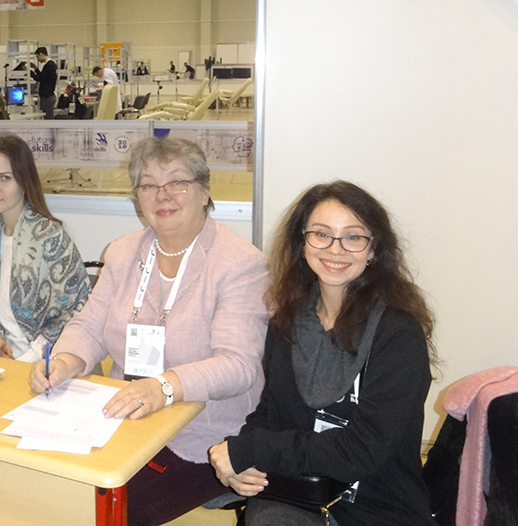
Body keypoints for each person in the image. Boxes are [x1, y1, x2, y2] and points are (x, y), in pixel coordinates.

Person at [30, 137, 269, 525]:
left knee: (100, 513)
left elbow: (237, 365)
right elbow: (89, 326)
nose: (163, 195)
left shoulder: (239, 263)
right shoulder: (123, 252)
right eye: (148, 185)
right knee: (43, 485)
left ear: (204, 191)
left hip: (202, 436)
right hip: (122, 420)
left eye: (178, 182)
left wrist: (163, 387)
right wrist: (64, 361)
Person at [209, 181, 437, 526]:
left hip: (377, 505)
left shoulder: (398, 334)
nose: (335, 249)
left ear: (373, 249)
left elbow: (361, 451)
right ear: (303, 242)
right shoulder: (288, 320)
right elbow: (271, 412)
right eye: (321, 234)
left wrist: (253, 450)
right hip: (297, 494)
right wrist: (242, 460)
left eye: (353, 237)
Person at [0, 134, 90, 362]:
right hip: (4, 357)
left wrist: (23, 363)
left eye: (4, 178)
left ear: (24, 181)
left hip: (46, 361)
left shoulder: (50, 237)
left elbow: (73, 314)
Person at [30, 46, 58, 119]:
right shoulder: (50, 65)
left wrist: (29, 72)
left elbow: (39, 78)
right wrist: (36, 69)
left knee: (48, 119)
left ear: (41, 54)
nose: (38, 59)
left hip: (47, 97)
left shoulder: (49, 65)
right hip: (48, 96)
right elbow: (43, 77)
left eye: (37, 57)